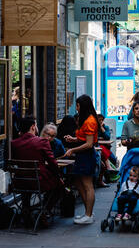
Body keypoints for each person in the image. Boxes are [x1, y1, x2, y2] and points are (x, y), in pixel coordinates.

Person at [11, 116, 64, 227]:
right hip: (38, 182)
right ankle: (44, 211)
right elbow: (53, 163)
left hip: (20, 181)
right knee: (60, 186)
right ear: (33, 126)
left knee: (27, 182)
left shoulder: (14, 143)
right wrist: (59, 176)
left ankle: (26, 210)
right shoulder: (42, 142)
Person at [63, 95, 99, 225]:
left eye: (77, 105)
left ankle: (88, 215)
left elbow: (89, 144)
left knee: (87, 185)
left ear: (82, 106)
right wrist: (73, 139)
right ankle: (87, 212)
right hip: (83, 155)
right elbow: (84, 139)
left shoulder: (89, 121)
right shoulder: (86, 120)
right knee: (79, 183)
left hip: (87, 155)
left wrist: (73, 150)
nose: (76, 108)